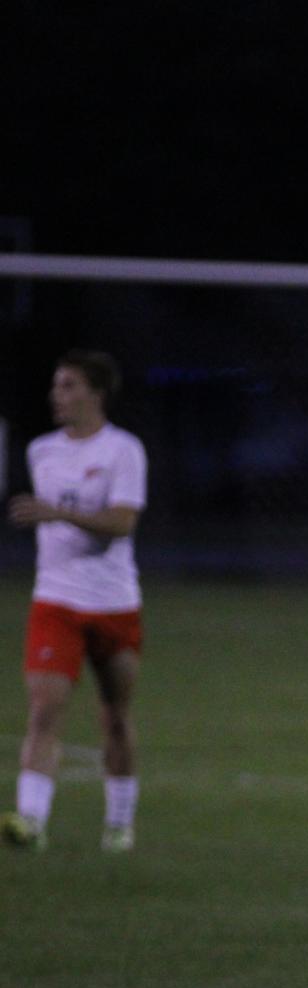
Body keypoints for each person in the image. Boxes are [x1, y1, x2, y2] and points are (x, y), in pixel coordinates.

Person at [3, 350, 148, 853]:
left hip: (114, 603)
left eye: (67, 385)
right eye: (55, 385)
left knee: (114, 716)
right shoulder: (42, 451)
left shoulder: (123, 451)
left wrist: (57, 513)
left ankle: (119, 822)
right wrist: (57, 515)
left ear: (95, 393)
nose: (56, 395)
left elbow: (122, 523)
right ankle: (31, 822)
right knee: (44, 710)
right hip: (57, 599)